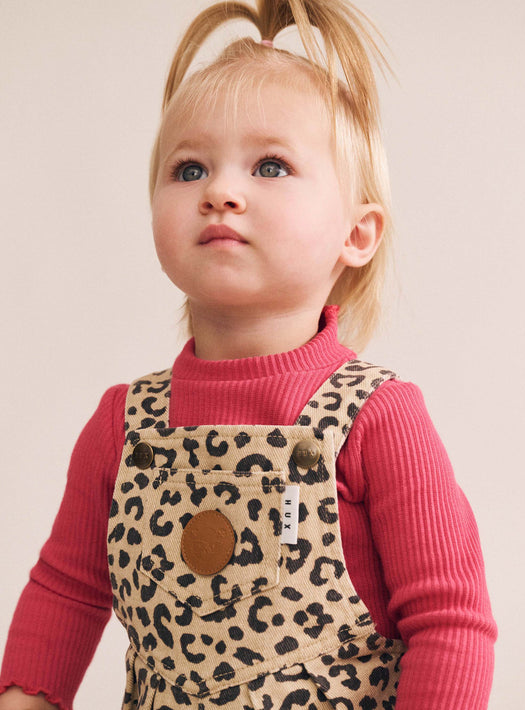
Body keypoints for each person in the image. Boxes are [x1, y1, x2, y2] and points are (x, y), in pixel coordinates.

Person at [0, 1, 497, 708]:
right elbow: (65, 593)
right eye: (189, 169)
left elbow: (450, 623)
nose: (220, 192)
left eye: (269, 165)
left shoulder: (377, 420)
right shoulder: (123, 427)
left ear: (356, 234)